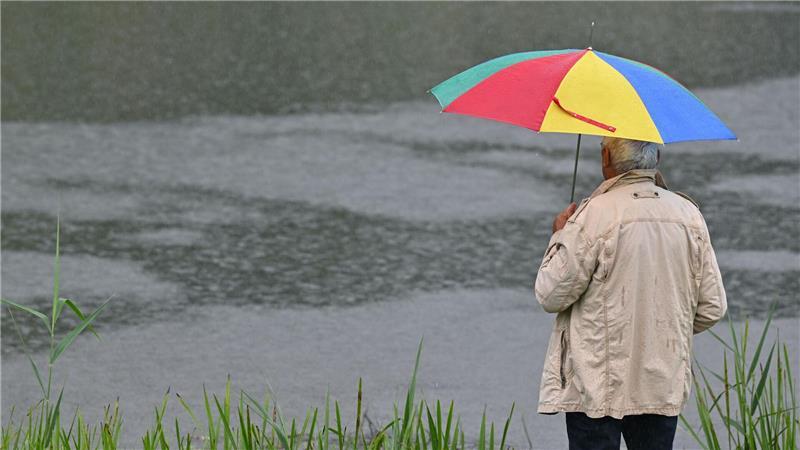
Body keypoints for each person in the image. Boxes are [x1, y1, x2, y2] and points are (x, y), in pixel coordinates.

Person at [533, 137, 727, 450]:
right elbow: (712, 307)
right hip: (660, 381)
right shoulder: (689, 216)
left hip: (596, 383)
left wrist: (560, 235)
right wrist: (664, 330)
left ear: (606, 156)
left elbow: (550, 294)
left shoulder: (593, 215)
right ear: (657, 156)